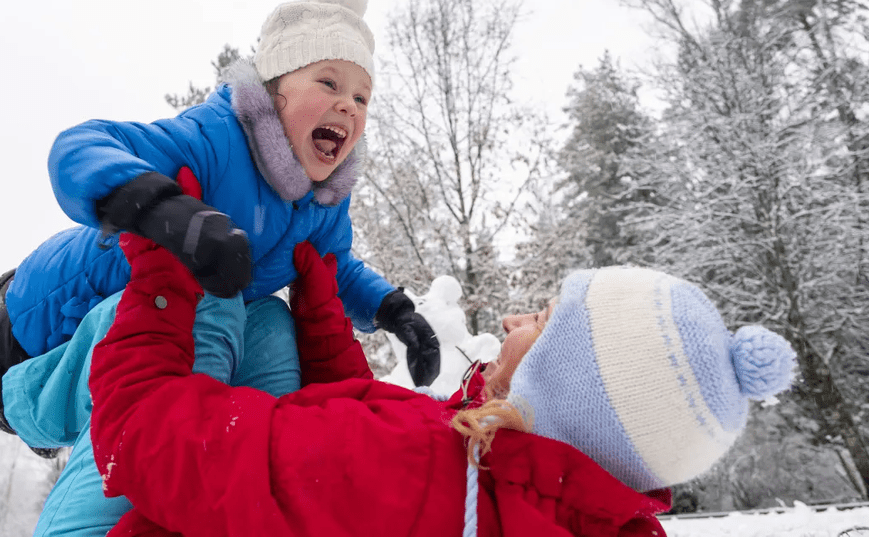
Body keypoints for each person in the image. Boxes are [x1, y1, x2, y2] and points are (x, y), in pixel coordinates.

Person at [0, 0, 440, 459]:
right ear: (275, 93)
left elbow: (336, 268)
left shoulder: (321, 207)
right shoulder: (214, 140)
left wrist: (394, 312)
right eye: (328, 82)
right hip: (56, 309)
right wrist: (165, 209)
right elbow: (79, 147)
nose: (349, 104)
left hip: (140, 342)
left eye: (363, 97)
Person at [85, 232, 797, 537]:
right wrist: (324, 315)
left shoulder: (410, 464)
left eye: (543, 318)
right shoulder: (511, 494)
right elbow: (351, 490)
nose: (515, 315)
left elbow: (140, 433)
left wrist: (160, 274)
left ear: (568, 380)